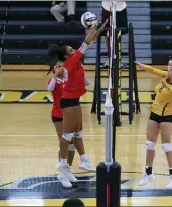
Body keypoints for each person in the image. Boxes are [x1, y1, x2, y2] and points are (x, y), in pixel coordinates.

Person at [48, 20, 108, 188]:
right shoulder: (71, 61)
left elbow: (90, 41)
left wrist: (101, 28)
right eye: (71, 50)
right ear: (67, 55)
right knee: (67, 136)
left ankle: (81, 161)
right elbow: (87, 42)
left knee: (77, 133)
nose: (74, 50)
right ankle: (62, 164)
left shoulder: (73, 60)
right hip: (67, 102)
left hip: (74, 99)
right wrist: (94, 27)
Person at [136, 62, 172, 189]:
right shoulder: (165, 77)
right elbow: (154, 71)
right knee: (149, 144)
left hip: (166, 116)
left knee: (166, 146)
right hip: (154, 113)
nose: (169, 68)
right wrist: (144, 67)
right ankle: (148, 173)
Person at [46, 60, 93, 183]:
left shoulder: (70, 79)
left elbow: (87, 82)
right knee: (65, 141)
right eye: (57, 67)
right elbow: (49, 88)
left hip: (70, 113)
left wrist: (79, 70)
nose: (60, 68)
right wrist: (56, 75)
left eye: (62, 66)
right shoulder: (54, 81)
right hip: (58, 114)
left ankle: (68, 171)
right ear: (53, 70)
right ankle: (62, 173)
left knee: (72, 143)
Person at [101, 0, 128, 68]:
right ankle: (109, 59)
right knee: (107, 35)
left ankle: (118, 59)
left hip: (120, 10)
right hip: (107, 9)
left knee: (120, 34)